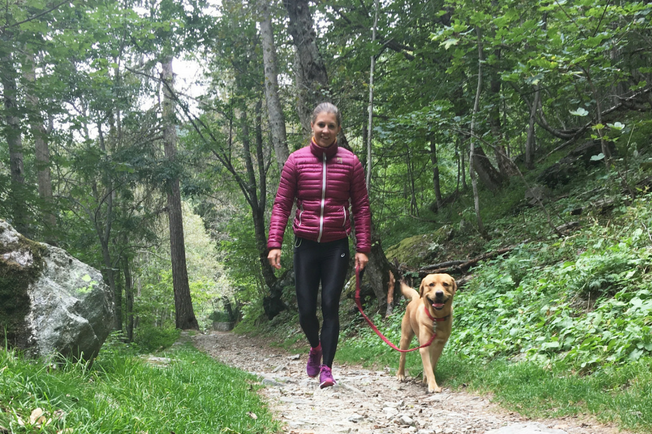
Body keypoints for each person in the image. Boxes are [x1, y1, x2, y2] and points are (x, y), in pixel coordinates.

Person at [267, 102, 371, 389]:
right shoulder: (295, 161)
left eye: (331, 126)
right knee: (304, 310)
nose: (325, 130)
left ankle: (327, 368)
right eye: (321, 125)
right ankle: (315, 347)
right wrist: (274, 243)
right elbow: (281, 205)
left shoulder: (350, 162)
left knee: (330, 305)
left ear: (338, 129)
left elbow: (361, 207)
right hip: (306, 245)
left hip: (336, 245)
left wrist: (363, 248)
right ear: (311, 125)